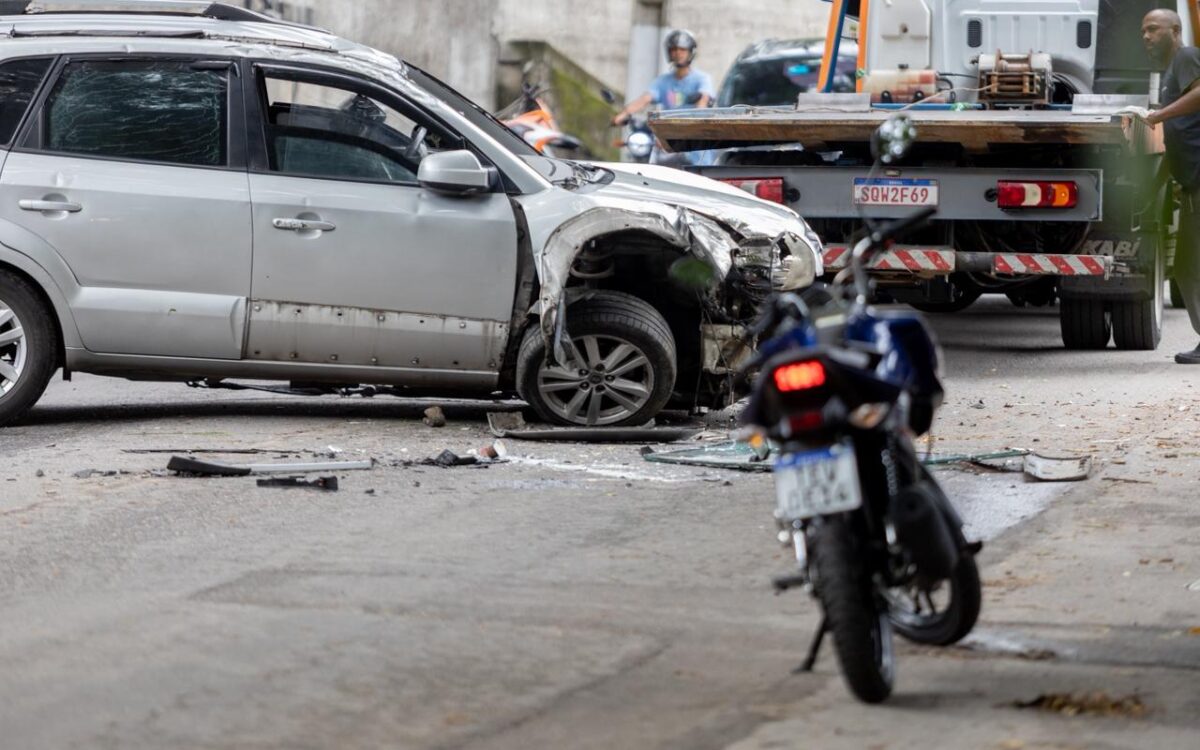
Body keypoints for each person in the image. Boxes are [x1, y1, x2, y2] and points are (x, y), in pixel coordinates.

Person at [1139, 9, 1200, 363]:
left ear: (1175, 30)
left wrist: (1159, 115)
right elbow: (1176, 137)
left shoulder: (1188, 57)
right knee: (1190, 265)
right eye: (1142, 32)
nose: (1145, 37)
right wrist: (1157, 186)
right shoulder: (1170, 71)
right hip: (1191, 183)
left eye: (1152, 29)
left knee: (1191, 265)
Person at [612, 29, 716, 167]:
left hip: (693, 140)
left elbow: (703, 100)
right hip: (668, 137)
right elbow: (645, 98)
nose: (678, 53)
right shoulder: (663, 81)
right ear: (669, 52)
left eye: (682, 49)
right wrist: (624, 114)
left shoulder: (702, 79)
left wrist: (695, 119)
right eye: (674, 49)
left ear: (691, 52)